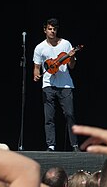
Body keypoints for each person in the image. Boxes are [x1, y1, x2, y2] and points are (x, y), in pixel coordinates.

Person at [33, 18, 79, 152]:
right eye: (50, 29)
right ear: (45, 30)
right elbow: (36, 67)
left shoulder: (65, 44)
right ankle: (51, 145)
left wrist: (72, 57)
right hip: (48, 84)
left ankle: (75, 145)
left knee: (69, 114)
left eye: (54, 29)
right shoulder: (40, 47)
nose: (52, 31)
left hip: (65, 85)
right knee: (49, 117)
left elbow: (72, 66)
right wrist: (36, 74)